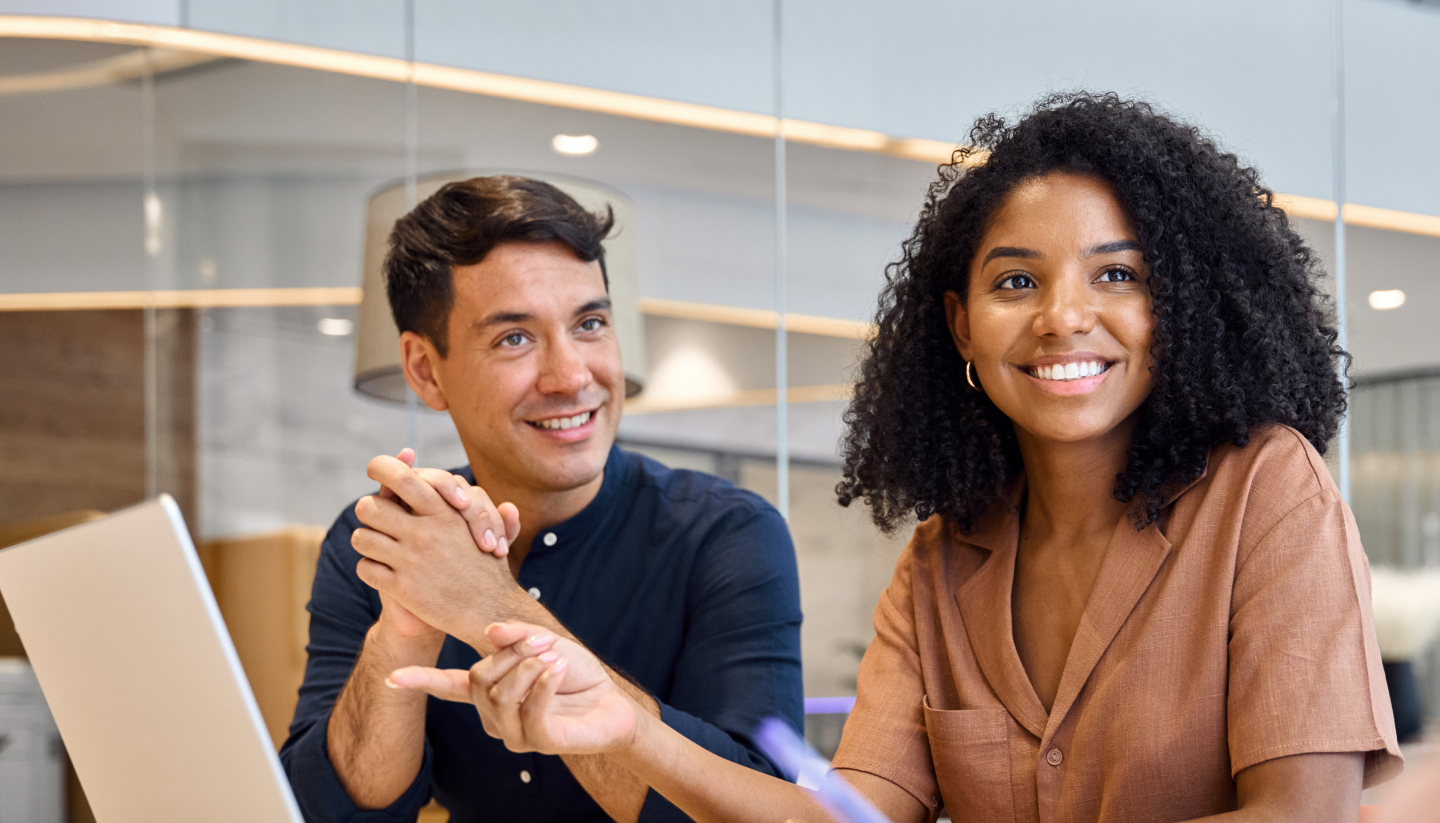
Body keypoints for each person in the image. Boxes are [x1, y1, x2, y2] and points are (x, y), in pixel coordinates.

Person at [389, 93, 1405, 823]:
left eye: (1118, 275)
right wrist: (629, 728)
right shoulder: (939, 562)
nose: (1062, 317)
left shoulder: (1264, 489)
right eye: (1016, 281)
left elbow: (1301, 814)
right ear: (961, 325)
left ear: (1176, 306)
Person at [278, 175, 804, 823]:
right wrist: (404, 631)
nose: (572, 376)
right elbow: (327, 812)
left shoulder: (727, 533)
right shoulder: (386, 539)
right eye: (514, 338)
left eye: (590, 323)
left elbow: (760, 807)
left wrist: (488, 604)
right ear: (424, 369)